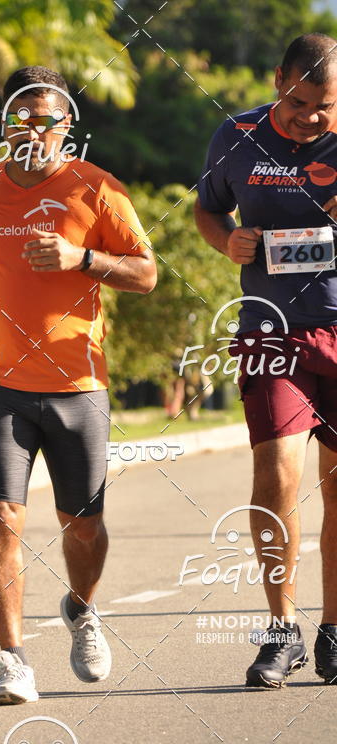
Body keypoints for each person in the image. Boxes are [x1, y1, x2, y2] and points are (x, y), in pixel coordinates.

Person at [0, 66, 157, 704]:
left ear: (68, 127)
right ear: (4, 122)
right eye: (22, 119)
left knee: (83, 526)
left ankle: (81, 608)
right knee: (0, 522)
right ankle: (12, 663)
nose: (34, 131)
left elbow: (146, 275)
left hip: (79, 385)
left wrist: (81, 259)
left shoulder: (98, 190)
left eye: (48, 121)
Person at [195, 33, 337, 688]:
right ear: (278, 79)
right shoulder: (237, 136)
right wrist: (228, 239)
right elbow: (207, 207)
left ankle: (333, 628)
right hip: (272, 329)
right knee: (277, 472)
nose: (312, 117)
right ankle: (282, 631)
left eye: (326, 107)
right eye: (301, 101)